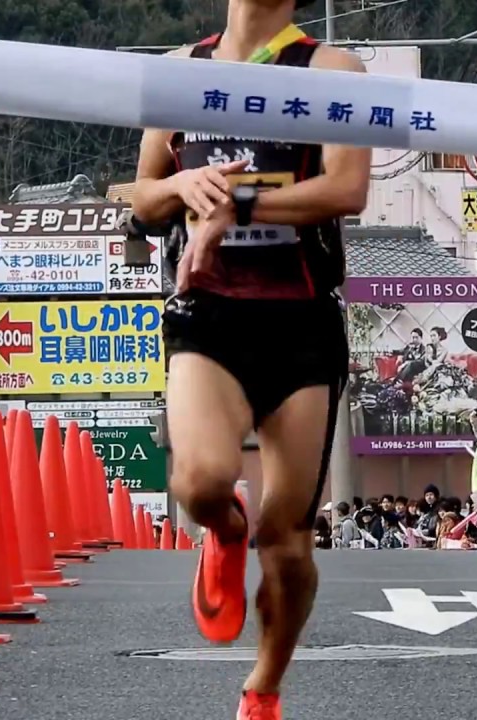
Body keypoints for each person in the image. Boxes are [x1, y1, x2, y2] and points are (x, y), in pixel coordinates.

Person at [126, 0, 370, 716]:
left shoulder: (331, 70)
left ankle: (262, 688)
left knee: (289, 542)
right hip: (209, 311)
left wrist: (239, 201)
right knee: (200, 481)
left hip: (300, 319)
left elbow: (346, 189)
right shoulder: (178, 71)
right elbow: (138, 198)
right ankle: (221, 530)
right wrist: (175, 187)